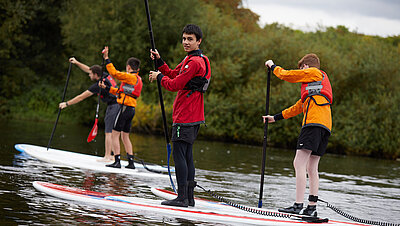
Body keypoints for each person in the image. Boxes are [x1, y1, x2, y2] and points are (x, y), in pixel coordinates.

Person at [149, 24, 211, 208]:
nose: (186, 42)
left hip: (185, 116)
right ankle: (189, 198)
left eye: (190, 39)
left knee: (179, 155)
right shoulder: (198, 59)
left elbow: (173, 84)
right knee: (187, 155)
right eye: (184, 38)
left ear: (198, 41)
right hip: (194, 116)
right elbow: (173, 73)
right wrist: (160, 62)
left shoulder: (193, 63)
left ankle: (182, 197)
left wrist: (158, 77)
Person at [263, 53, 333, 217]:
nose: (301, 72)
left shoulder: (315, 72)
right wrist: (275, 117)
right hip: (325, 126)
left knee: (299, 163)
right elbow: (297, 107)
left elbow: (289, 75)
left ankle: (297, 205)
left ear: (306, 67)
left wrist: (273, 67)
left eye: (302, 69)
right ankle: (311, 207)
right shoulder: (314, 87)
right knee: (311, 167)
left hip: (313, 124)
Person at [59, 57, 119, 162]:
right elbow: (88, 69)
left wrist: (67, 104)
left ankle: (107, 157)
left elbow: (81, 97)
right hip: (119, 105)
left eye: (91, 74)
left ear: (96, 75)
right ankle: (114, 157)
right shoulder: (104, 74)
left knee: (108, 132)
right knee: (113, 132)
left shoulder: (98, 86)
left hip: (113, 106)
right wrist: (77, 62)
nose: (89, 75)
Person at [99, 46, 143, 169]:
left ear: (129, 67)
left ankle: (117, 161)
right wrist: (106, 88)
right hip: (131, 109)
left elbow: (114, 73)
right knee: (125, 136)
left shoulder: (130, 77)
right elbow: (121, 92)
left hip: (124, 109)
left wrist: (106, 58)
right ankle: (131, 163)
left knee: (114, 134)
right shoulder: (137, 79)